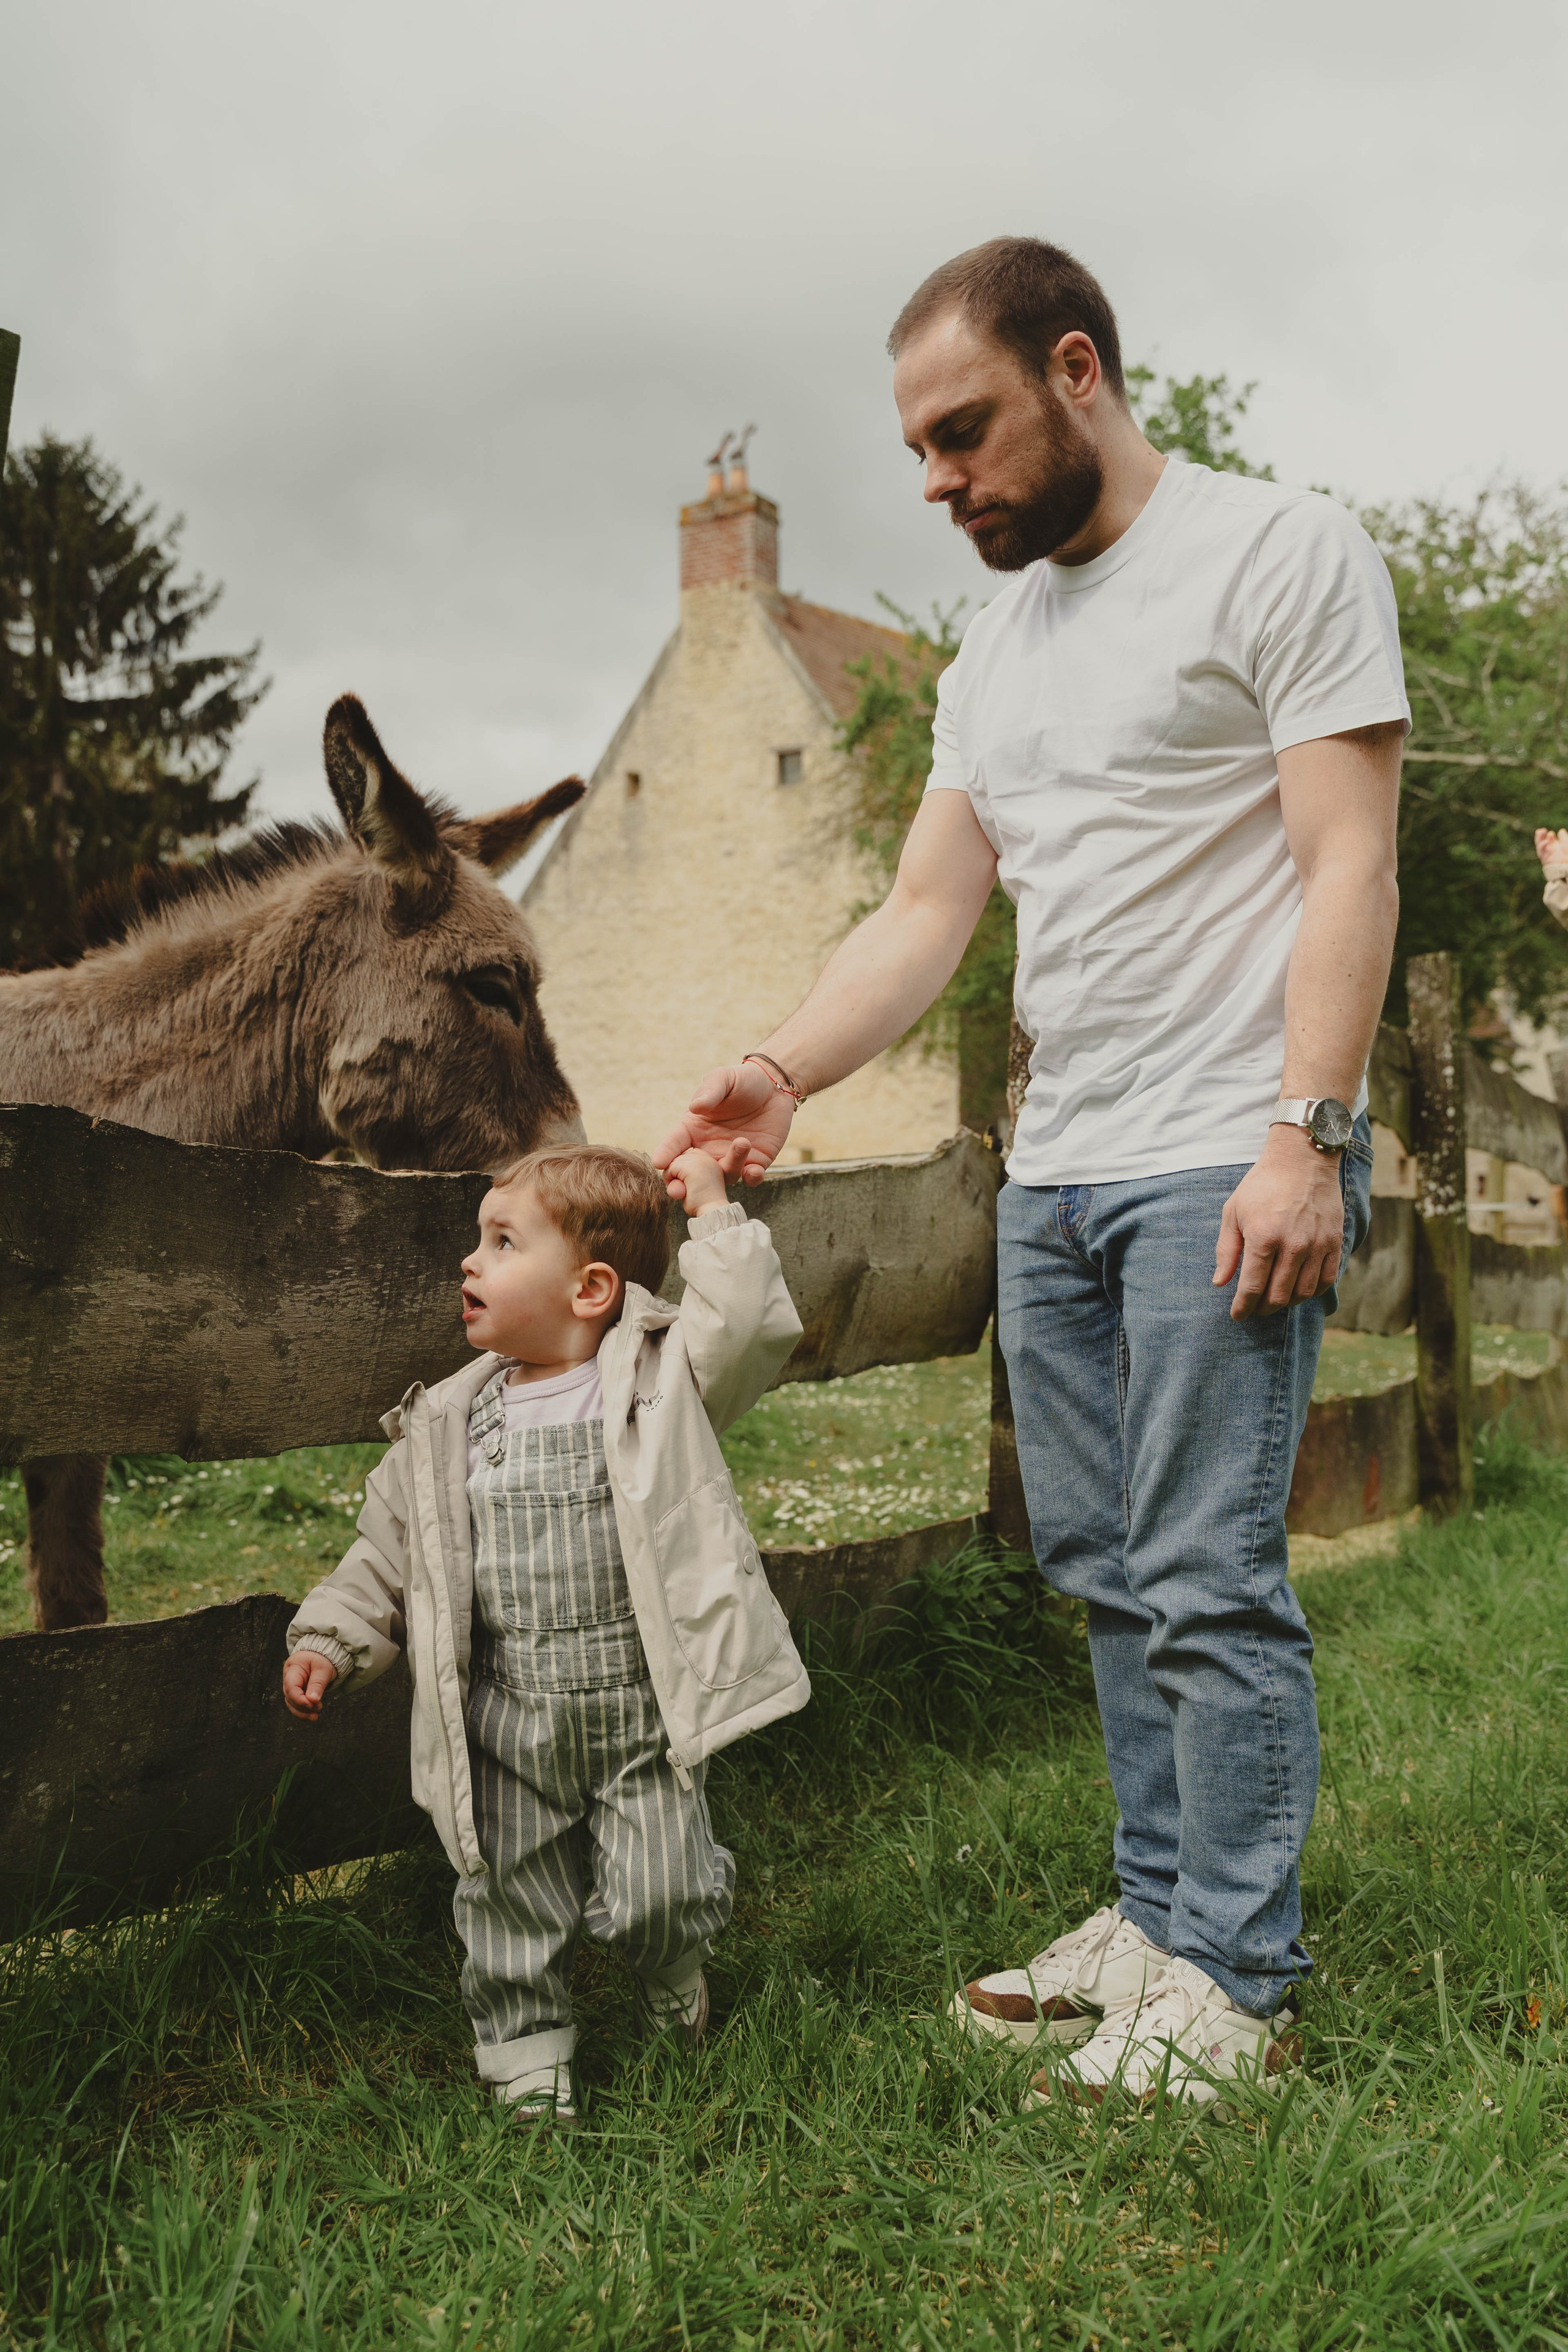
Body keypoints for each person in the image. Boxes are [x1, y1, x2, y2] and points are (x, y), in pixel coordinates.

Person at [656, 236, 1407, 2111]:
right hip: (1059, 1177)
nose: (935, 480)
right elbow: (926, 912)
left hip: (1222, 1155)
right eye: (914, 448)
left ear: (1078, 370)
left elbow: (1348, 861)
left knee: (1208, 1575)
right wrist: (776, 1070)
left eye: (962, 430)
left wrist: (1309, 1131)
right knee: (1107, 1571)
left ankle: (1234, 1981)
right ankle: (1157, 1921)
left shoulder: (1278, 552)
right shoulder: (998, 651)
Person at [282, 1142, 807, 2126]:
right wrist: (334, 1636)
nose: (470, 1263)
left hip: (644, 1713)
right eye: (477, 1241)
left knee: (665, 1890)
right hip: (506, 1722)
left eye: (502, 1242)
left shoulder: (663, 1381)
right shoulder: (446, 1422)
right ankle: (527, 2054)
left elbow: (744, 1326)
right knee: (508, 1896)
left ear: (592, 1286)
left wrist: (711, 1210)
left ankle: (672, 1973)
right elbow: (385, 1552)